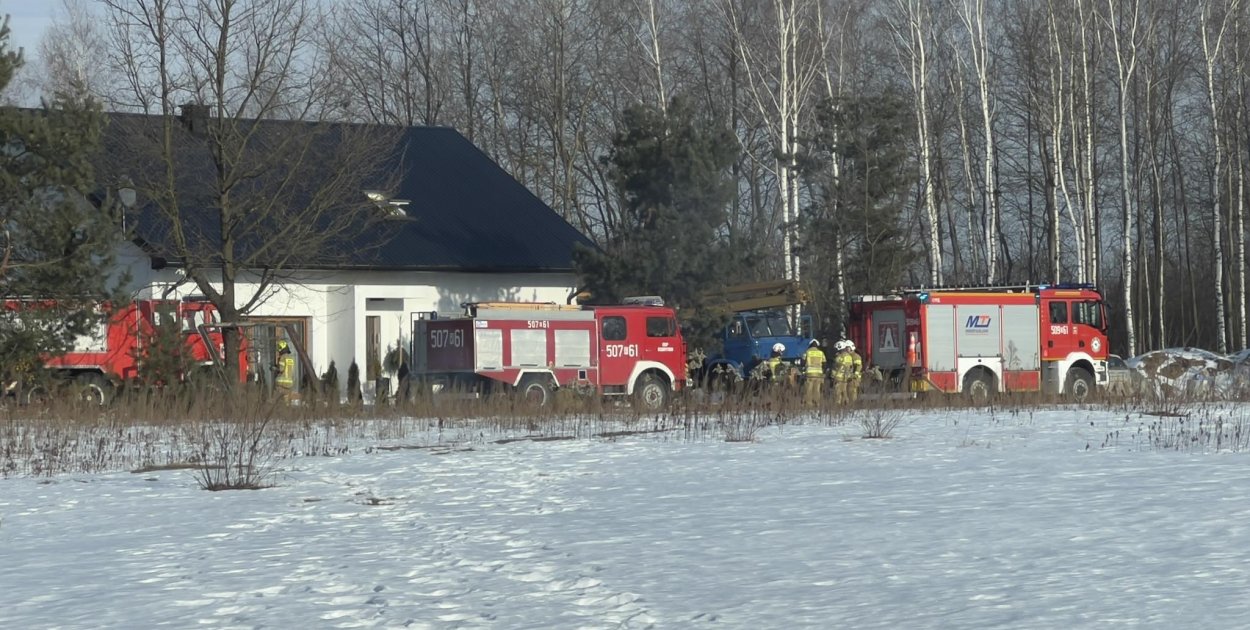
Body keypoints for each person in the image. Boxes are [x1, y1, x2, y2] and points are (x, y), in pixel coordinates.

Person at [801, 339, 826, 407]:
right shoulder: (821, 353)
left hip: (810, 374)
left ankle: (809, 403)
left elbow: (802, 362)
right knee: (817, 389)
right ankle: (817, 403)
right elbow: (824, 363)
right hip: (819, 374)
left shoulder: (807, 352)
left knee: (809, 389)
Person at [831, 340, 856, 405]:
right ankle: (846, 405)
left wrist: (832, 376)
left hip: (838, 378)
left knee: (837, 393)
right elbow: (850, 367)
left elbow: (835, 367)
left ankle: (838, 405)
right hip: (846, 378)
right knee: (844, 393)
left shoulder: (839, 357)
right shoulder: (849, 357)